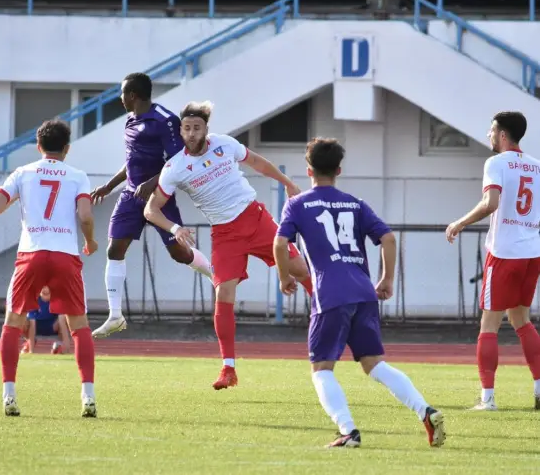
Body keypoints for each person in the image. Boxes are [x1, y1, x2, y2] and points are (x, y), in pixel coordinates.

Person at [274, 137, 446, 448]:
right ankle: (426, 410)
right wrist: (387, 279)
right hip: (363, 291)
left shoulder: (297, 204)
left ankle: (347, 431)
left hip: (330, 293)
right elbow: (389, 239)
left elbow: (279, 243)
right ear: (339, 170)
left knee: (321, 368)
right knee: (374, 363)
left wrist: (284, 275)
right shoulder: (355, 203)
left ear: (308, 169)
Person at [144, 101, 314, 390]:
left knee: (299, 268)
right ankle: (228, 368)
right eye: (187, 128)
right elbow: (151, 210)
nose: (192, 132)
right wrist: (175, 228)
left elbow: (257, 162)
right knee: (223, 293)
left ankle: (328, 313)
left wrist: (286, 182)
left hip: (255, 218)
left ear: (206, 129)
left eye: (197, 127)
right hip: (224, 234)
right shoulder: (175, 168)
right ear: (181, 132)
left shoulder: (224, 145)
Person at [0, 119, 98, 418]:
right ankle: (88, 396)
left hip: (31, 253)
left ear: (38, 147)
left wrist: (10, 196)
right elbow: (85, 215)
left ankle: (9, 394)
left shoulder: (23, 173)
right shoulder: (77, 175)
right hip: (65, 254)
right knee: (79, 325)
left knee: (12, 322)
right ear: (67, 149)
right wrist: (90, 241)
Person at [90, 73, 212, 339]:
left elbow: (182, 158)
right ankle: (115, 315)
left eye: (122, 93)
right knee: (115, 248)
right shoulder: (130, 121)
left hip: (159, 196)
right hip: (131, 195)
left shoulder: (165, 120)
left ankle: (214, 274)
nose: (120, 98)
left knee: (179, 254)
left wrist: (155, 181)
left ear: (132, 94)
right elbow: (131, 161)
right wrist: (109, 187)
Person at [446, 111, 540, 411]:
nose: (488, 135)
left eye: (491, 130)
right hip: (531, 253)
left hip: (503, 253)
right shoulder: (537, 166)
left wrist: (459, 222)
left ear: (502, 134)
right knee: (521, 320)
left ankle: (487, 399)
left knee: (489, 325)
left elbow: (491, 203)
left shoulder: (496, 163)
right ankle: (539, 388)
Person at [21, 287, 70, 355]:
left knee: (64, 317)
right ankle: (29, 343)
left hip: (52, 327)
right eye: (43, 287)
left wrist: (66, 347)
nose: (45, 289)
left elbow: (62, 318)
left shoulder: (57, 299)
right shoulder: (33, 299)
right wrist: (31, 351)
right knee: (22, 321)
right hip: (36, 327)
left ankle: (59, 345)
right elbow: (32, 322)